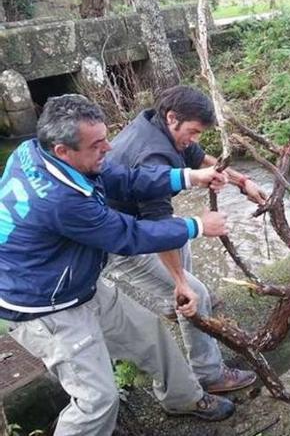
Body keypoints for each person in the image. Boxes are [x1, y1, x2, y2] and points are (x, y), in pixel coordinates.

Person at [0, 95, 236, 435]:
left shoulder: (36, 151)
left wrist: (188, 177)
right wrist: (197, 226)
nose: (108, 148)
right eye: (97, 144)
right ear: (62, 151)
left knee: (150, 334)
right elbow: (128, 235)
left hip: (75, 280)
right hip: (45, 306)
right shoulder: (61, 200)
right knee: (97, 400)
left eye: (105, 138)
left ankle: (182, 398)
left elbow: (121, 177)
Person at [104, 85, 264, 394]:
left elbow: (202, 159)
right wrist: (181, 284)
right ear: (173, 117)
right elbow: (160, 230)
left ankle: (172, 305)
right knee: (197, 294)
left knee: (182, 238)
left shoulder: (158, 124)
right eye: (192, 131)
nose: (195, 139)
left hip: (132, 222)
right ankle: (209, 374)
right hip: (117, 243)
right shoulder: (153, 156)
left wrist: (243, 182)